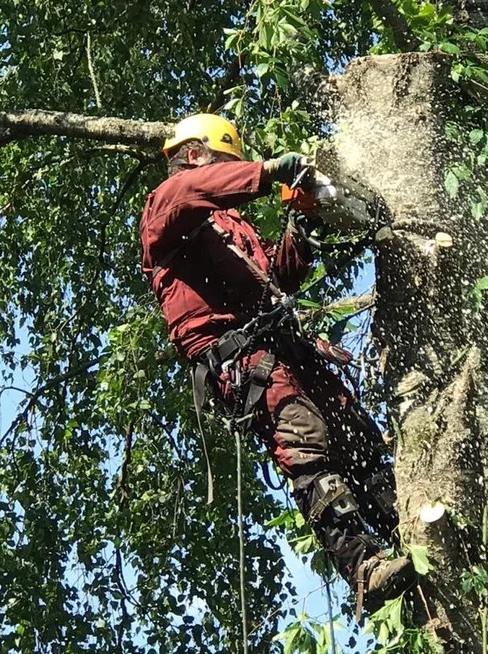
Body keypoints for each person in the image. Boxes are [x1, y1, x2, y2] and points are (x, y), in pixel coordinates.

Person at [140, 113, 414, 611]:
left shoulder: (230, 227)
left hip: (281, 342)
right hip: (240, 355)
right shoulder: (168, 203)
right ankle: (363, 566)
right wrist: (268, 171)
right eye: (228, 166)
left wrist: (302, 222)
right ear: (198, 156)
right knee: (304, 435)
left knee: (356, 432)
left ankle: (409, 525)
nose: (233, 177)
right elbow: (193, 191)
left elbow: (276, 280)